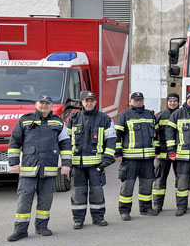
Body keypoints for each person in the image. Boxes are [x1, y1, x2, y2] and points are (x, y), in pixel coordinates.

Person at [7, 95, 72, 241]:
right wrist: (14, 162)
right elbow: (14, 142)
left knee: (45, 199)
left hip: (48, 168)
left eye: (47, 103)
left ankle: (41, 227)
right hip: (28, 168)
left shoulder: (58, 122)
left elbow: (66, 144)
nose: (44, 106)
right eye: (41, 103)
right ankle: (20, 230)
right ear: (36, 104)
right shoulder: (25, 120)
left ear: (51, 105)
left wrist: (67, 164)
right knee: (25, 199)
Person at [67, 91, 116, 228]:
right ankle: (78, 220)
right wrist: (66, 160)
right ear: (81, 102)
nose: (89, 103)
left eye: (91, 101)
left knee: (97, 193)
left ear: (95, 102)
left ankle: (98, 218)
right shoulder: (74, 118)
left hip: (96, 165)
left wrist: (107, 158)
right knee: (78, 194)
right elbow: (66, 141)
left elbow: (111, 140)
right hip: (77, 165)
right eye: (86, 101)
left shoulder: (105, 119)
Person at [114, 92, 157, 220]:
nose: (138, 102)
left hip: (147, 158)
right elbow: (117, 136)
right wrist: (118, 153)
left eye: (140, 100)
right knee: (128, 186)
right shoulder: (124, 115)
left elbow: (155, 135)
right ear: (130, 101)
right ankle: (124, 211)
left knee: (147, 184)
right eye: (136, 100)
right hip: (130, 158)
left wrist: (156, 151)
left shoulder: (150, 114)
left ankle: (146, 208)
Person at [151, 93, 179, 213]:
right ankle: (157, 205)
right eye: (170, 101)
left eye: (175, 101)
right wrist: (156, 150)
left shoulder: (182, 114)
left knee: (180, 179)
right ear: (167, 102)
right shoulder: (160, 116)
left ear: (178, 102)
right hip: (163, 154)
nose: (172, 103)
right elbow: (154, 135)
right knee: (160, 180)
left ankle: (181, 204)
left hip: (179, 153)